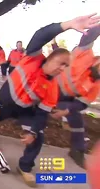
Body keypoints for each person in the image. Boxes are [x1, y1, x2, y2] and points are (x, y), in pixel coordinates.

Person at [0, 14, 100, 187]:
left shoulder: (53, 87)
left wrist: (32, 132)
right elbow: (40, 35)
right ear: (51, 56)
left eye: (66, 67)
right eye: (61, 63)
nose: (63, 69)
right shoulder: (32, 57)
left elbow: (42, 113)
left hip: (26, 110)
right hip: (5, 103)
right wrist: (68, 24)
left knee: (38, 137)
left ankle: (25, 167)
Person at [53, 25, 100, 169]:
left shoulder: (97, 83)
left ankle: (76, 151)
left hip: (64, 99)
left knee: (77, 121)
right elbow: (89, 36)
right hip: (51, 85)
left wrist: (66, 112)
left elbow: (82, 103)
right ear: (97, 61)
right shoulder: (84, 53)